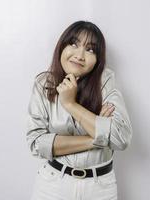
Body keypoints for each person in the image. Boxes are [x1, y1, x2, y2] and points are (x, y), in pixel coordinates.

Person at [26, 20, 133, 200]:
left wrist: (70, 104)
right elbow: (36, 143)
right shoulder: (44, 84)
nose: (80, 55)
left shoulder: (105, 82)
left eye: (90, 49)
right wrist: (97, 138)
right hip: (52, 186)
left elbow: (120, 138)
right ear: (62, 47)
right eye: (73, 44)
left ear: (98, 59)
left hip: (100, 188)